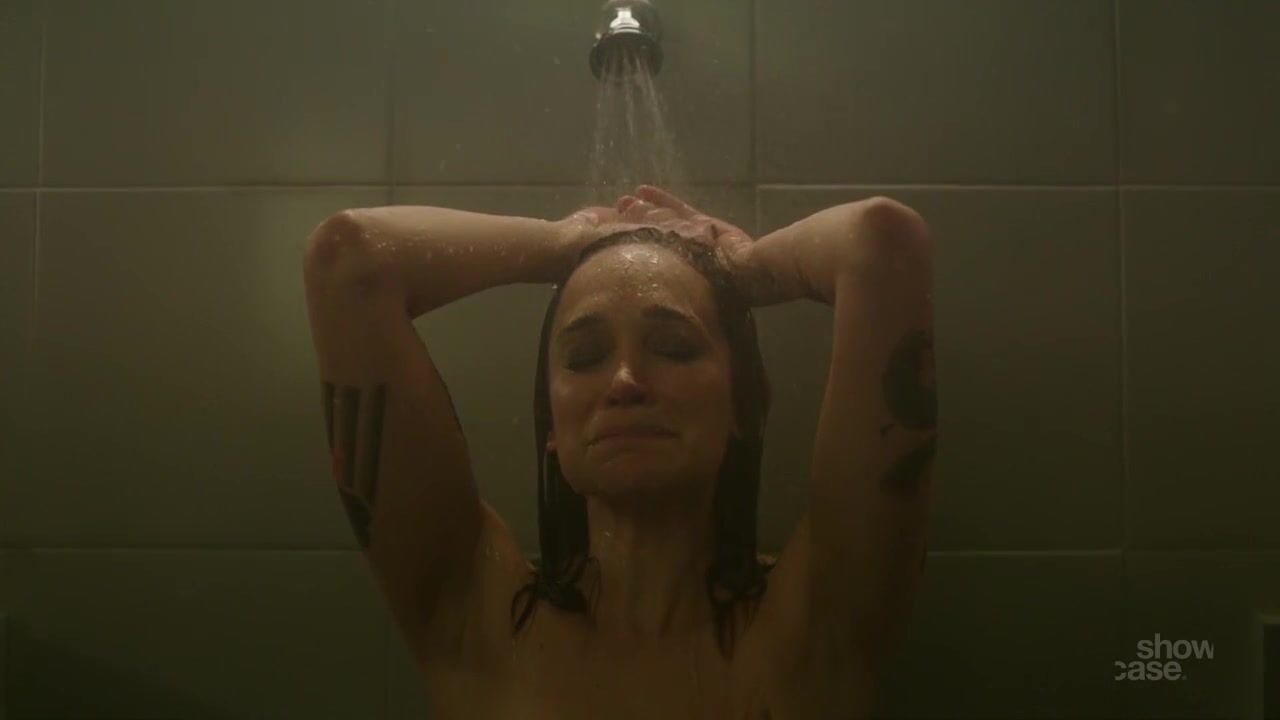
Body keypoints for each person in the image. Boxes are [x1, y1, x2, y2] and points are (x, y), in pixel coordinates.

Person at [302, 184, 937, 719]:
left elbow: (879, 242)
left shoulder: (820, 619)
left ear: (746, 406)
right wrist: (563, 243)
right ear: (551, 422)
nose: (625, 382)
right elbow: (349, 260)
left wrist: (742, 268)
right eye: (585, 357)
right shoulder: (473, 618)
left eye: (674, 347)